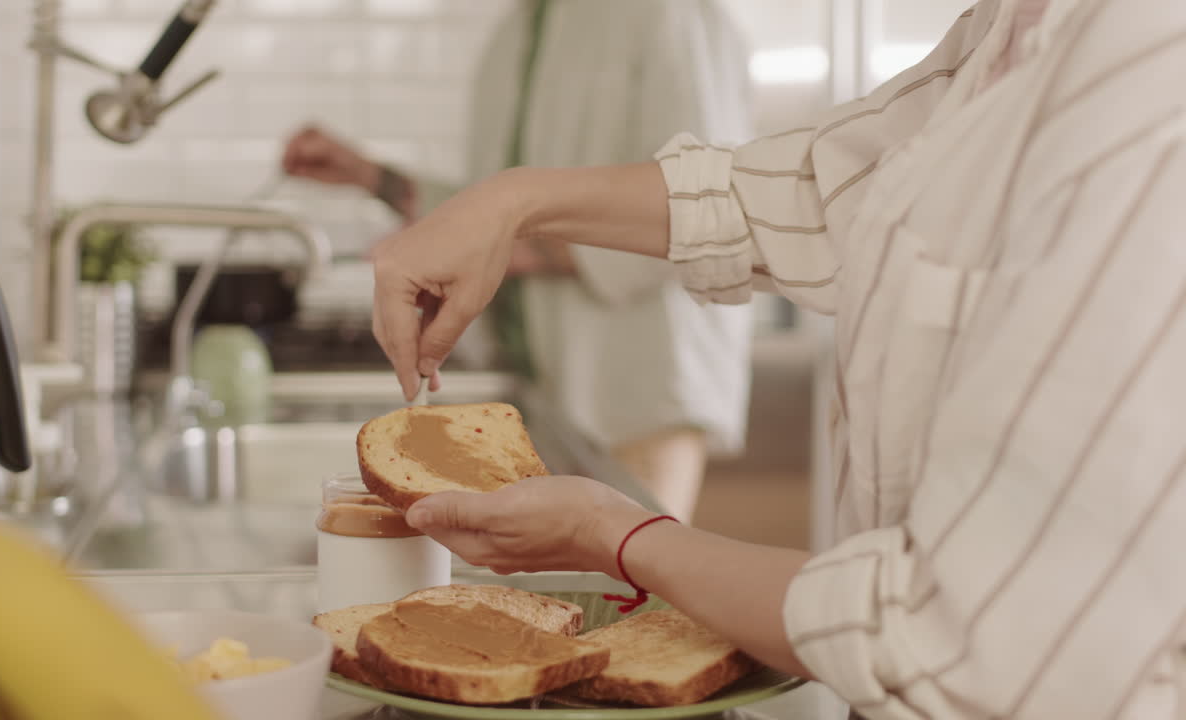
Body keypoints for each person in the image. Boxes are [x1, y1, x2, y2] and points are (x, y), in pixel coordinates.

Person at [368, 0, 1186, 717]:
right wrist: (513, 202)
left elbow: (962, 638)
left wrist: (609, 532)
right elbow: (818, 189)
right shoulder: (1010, 26)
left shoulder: (1150, 99)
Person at [281, 0, 757, 522]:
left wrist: (496, 250)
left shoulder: (672, 15)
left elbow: (704, 211)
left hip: (634, 401)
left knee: (630, 597)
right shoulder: (520, 30)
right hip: (544, 399)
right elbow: (493, 208)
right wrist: (371, 177)